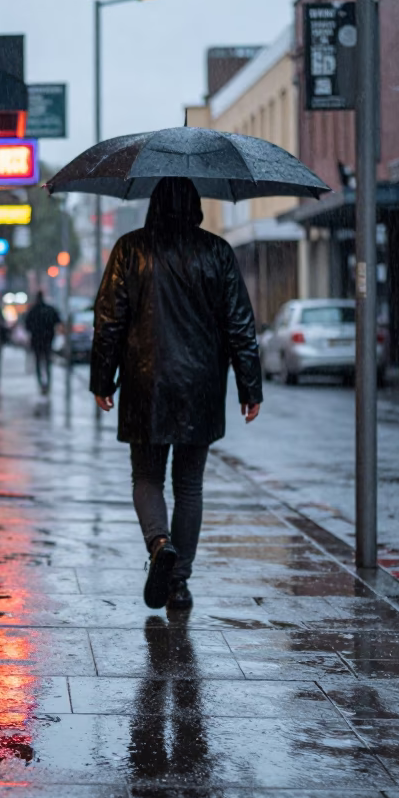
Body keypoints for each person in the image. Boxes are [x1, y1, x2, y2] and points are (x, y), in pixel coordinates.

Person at [91, 177, 263, 610]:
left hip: (146, 383)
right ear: (196, 207)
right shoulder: (217, 252)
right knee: (189, 485)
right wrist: (249, 385)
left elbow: (109, 320)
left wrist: (102, 380)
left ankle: (159, 543)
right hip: (201, 386)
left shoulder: (130, 249)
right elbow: (240, 324)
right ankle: (179, 582)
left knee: (147, 477)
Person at [25, 291, 61, 395]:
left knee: (38, 363)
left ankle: (41, 384)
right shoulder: (49, 309)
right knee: (47, 363)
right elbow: (57, 321)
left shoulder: (32, 311)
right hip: (48, 340)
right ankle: (48, 384)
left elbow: (27, 325)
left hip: (37, 341)